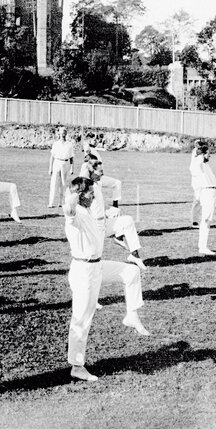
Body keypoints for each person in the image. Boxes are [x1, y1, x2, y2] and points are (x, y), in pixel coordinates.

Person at [63, 177, 148, 383]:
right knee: (82, 319)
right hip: (84, 270)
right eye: (90, 192)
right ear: (81, 195)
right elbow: (68, 209)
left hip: (97, 265)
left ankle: (131, 315)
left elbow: (99, 225)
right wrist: (75, 192)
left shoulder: (88, 212)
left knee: (132, 272)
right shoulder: (74, 215)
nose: (94, 194)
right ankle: (77, 366)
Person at [83, 159, 148, 272]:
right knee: (92, 260)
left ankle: (134, 255)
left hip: (103, 224)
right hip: (93, 229)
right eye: (100, 172)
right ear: (92, 172)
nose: (102, 174)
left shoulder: (98, 182)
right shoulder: (86, 187)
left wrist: (110, 211)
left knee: (127, 220)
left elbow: (98, 205)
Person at [190, 140, 216, 255]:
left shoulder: (205, 165)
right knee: (206, 221)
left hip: (212, 192)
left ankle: (203, 246)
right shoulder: (198, 164)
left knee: (207, 220)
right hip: (207, 193)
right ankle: (203, 247)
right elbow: (195, 158)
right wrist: (199, 150)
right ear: (203, 154)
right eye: (208, 153)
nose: (210, 155)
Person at [48, 127, 74, 208]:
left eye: (64, 133)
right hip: (57, 163)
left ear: (66, 134)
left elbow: (72, 158)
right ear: (59, 134)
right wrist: (50, 168)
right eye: (61, 133)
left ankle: (61, 202)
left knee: (63, 184)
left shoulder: (69, 144)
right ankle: (51, 203)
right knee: (54, 183)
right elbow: (52, 157)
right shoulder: (56, 144)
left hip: (65, 163)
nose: (63, 135)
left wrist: (72, 168)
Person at [189, 141, 204, 227]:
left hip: (201, 180)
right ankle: (194, 220)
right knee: (197, 199)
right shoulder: (196, 152)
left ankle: (198, 219)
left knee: (201, 200)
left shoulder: (199, 154)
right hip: (197, 180)